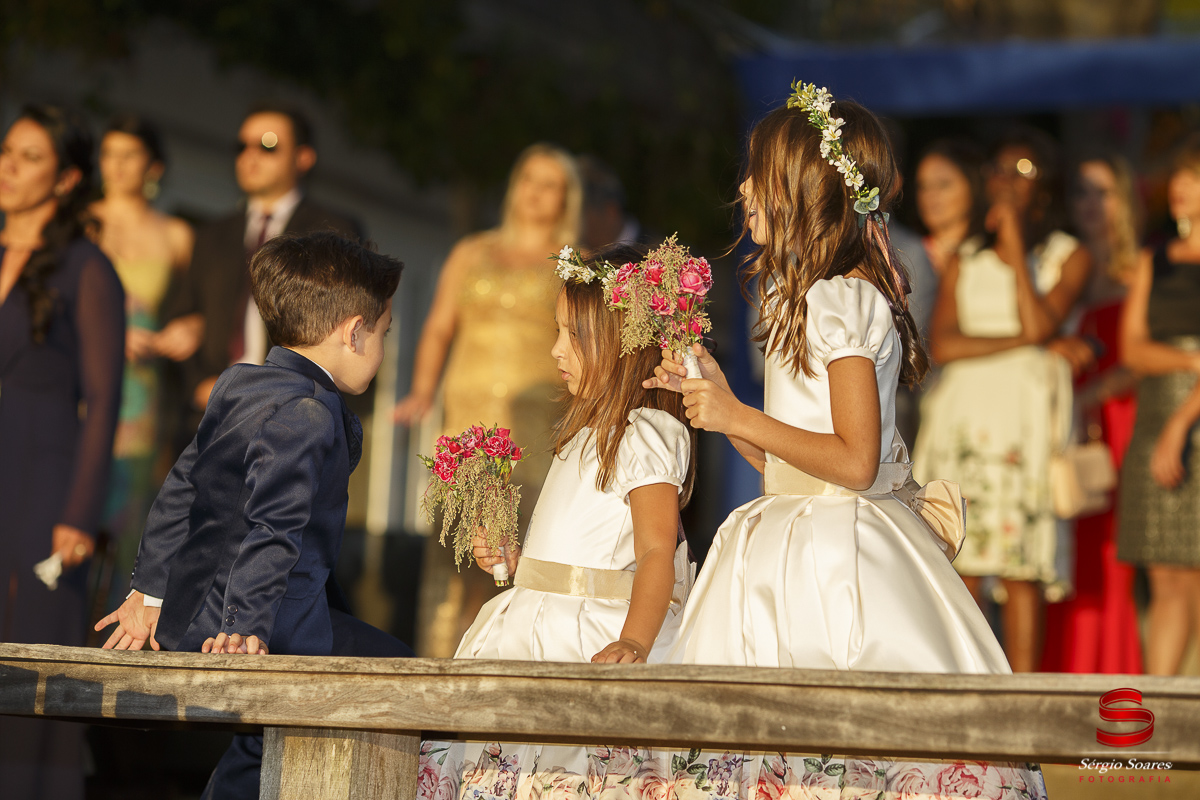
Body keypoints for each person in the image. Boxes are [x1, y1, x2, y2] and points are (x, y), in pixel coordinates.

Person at [647, 89, 1046, 798]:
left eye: (757, 172)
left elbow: (855, 462)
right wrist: (712, 403)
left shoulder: (842, 295)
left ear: (803, 189)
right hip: (791, 527)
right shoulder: (794, 295)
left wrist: (737, 414)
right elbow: (789, 465)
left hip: (839, 554)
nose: (742, 187)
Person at [94, 232, 411, 800]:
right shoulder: (310, 414)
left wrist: (150, 592)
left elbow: (180, 489)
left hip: (213, 607)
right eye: (385, 335)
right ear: (355, 332)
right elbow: (274, 526)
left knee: (268, 738)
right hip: (266, 618)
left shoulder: (238, 383)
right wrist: (245, 626)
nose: (384, 349)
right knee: (402, 678)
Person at [419, 243, 696, 799]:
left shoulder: (644, 433)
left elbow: (655, 551)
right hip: (533, 633)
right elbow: (578, 552)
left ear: (626, 344)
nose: (555, 349)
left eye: (575, 336)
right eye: (557, 331)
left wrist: (636, 643)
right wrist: (515, 564)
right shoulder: (580, 434)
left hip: (586, 639)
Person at [913, 126, 1093, 672]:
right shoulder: (967, 256)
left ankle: (1021, 709)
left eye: (1024, 171)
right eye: (1000, 171)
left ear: (1046, 186)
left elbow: (1041, 316)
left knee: (1020, 570)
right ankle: (964, 691)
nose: (1008, 183)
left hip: (1022, 421)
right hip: (965, 414)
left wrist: (1016, 249)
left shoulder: (1069, 255)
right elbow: (943, 342)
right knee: (963, 558)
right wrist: (1029, 341)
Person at [393, 143, 582, 656]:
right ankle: (440, 670)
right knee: (457, 557)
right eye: (529, 180)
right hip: (467, 426)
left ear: (566, 199)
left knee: (513, 557)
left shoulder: (572, 264)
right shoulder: (470, 251)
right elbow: (437, 328)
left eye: (550, 185)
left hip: (533, 429)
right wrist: (420, 390)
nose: (536, 193)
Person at [0, 106, 125, 800]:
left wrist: (80, 512)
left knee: (31, 671)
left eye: (29, 157)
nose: (8, 167)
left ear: (67, 177)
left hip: (42, 488)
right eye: (6, 151)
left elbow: (104, 399)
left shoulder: (87, 267)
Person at [158, 103, 361, 449]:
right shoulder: (211, 235)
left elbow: (344, 326)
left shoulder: (333, 232)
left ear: (303, 157)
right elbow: (181, 315)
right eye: (242, 146)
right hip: (211, 418)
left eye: (268, 145)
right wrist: (199, 385)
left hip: (293, 422)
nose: (250, 156)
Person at [1040, 152, 1143, 674]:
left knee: (1113, 552)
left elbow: (1149, 353)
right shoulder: (1062, 266)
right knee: (1070, 549)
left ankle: (1114, 678)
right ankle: (1068, 672)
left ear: (1124, 200)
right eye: (1081, 191)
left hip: (1122, 416)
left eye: (1103, 191)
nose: (1091, 204)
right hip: (1068, 419)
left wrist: (1098, 390)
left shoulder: (1140, 266)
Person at [89, 113, 194, 604]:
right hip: (83, 382)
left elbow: (198, 307)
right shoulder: (80, 221)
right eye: (108, 154)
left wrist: (188, 328)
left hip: (143, 393)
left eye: (128, 155)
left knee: (130, 519)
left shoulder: (175, 235)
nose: (116, 166)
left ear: (152, 165)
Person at [1117, 133, 1200, 676]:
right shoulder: (1155, 257)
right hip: (1157, 413)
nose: (1179, 189)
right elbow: (1132, 348)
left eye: (1192, 179)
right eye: (1177, 179)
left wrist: (1181, 423)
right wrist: (1193, 362)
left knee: (1192, 574)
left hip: (1185, 417)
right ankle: (1157, 720)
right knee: (1165, 576)